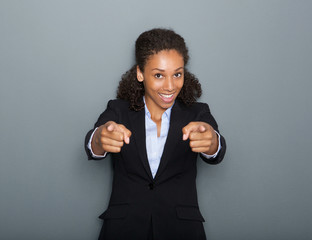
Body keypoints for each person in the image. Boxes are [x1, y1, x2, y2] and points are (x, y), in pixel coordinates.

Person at [85, 28, 226, 240]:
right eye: (159, 75)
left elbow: (217, 149)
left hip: (182, 230)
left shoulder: (197, 113)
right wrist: (100, 138)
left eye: (177, 74)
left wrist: (212, 142)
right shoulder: (118, 111)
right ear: (140, 73)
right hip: (124, 229)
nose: (170, 86)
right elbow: (93, 141)